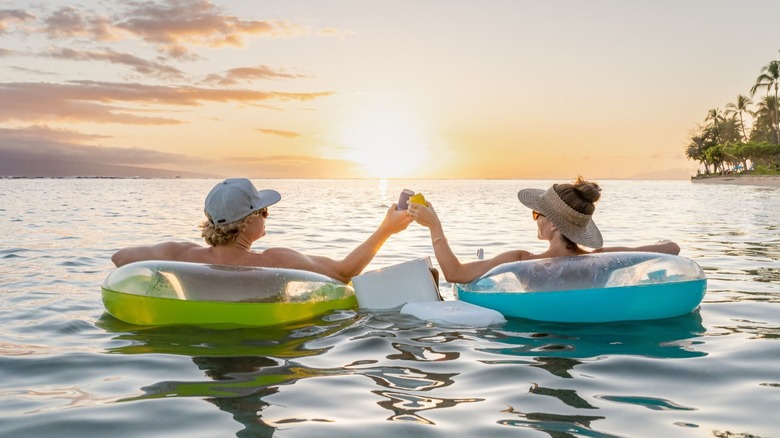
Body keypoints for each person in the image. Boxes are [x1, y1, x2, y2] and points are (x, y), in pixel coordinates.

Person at [111, 178, 413, 283]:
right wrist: (386, 229)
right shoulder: (274, 261)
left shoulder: (179, 255)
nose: (267, 216)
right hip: (260, 347)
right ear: (246, 222)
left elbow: (120, 258)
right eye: (263, 211)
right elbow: (345, 272)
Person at [407, 176, 680, 284]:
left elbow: (455, 274)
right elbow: (672, 248)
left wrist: (434, 226)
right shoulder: (602, 260)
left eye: (537, 214)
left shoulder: (522, 261)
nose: (534, 219)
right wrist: (658, 242)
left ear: (553, 223)